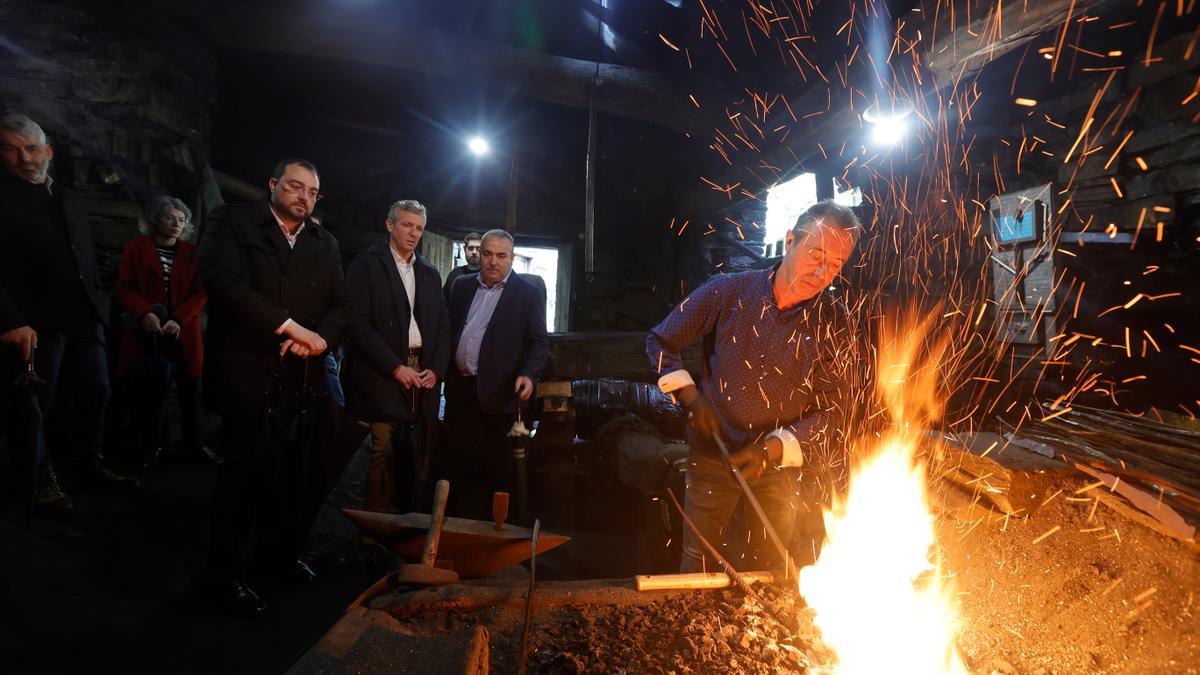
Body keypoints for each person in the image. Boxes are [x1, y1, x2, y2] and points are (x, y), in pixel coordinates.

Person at [645, 200, 860, 573]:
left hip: (776, 466)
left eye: (837, 264)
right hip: (712, 453)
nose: (823, 271)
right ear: (790, 240)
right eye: (816, 254)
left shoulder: (834, 321)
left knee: (770, 566)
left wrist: (773, 448)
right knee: (699, 562)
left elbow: (835, 408)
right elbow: (660, 342)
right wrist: (691, 398)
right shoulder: (728, 291)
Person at [199, 157, 353, 616]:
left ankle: (277, 561)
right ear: (272, 185)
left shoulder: (325, 244)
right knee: (241, 477)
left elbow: (342, 304)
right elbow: (222, 282)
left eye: (312, 191)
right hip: (246, 370)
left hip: (299, 378)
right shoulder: (231, 222)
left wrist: (321, 338)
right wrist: (289, 327)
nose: (303, 196)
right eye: (295, 186)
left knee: (289, 476)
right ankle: (221, 578)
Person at [0, 113, 138, 514]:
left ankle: (86, 465)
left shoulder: (69, 198)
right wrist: (8, 319)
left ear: (48, 152)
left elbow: (84, 260)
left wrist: (99, 308)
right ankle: (39, 479)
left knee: (97, 394)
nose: (24, 158)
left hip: (83, 319)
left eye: (31, 148)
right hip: (33, 323)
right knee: (35, 404)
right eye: (10, 148)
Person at [341, 200, 450, 513]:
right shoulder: (367, 264)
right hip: (383, 369)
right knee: (383, 448)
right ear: (390, 225)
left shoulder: (428, 272)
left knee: (417, 449)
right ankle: (376, 526)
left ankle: (410, 518)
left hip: (422, 369)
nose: (413, 233)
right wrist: (393, 366)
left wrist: (437, 369)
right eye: (406, 225)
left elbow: (444, 327)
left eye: (419, 228)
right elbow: (356, 323)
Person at [444, 229, 548, 519]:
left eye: (501, 256)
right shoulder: (462, 286)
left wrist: (529, 374)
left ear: (512, 258)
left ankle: (495, 529)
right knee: (457, 462)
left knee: (496, 466)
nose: (492, 261)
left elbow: (539, 341)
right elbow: (451, 331)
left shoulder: (527, 294)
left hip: (498, 392)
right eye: (488, 254)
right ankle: (457, 527)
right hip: (460, 391)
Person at [115, 196, 208, 467]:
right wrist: (145, 313)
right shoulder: (136, 248)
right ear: (156, 218)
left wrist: (179, 319)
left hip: (182, 331)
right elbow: (125, 287)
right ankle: (152, 446)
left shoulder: (192, 252)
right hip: (147, 330)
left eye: (182, 220)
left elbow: (200, 292)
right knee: (150, 389)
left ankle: (195, 446)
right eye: (170, 218)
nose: (177, 224)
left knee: (190, 389)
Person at [442, 231, 482, 304]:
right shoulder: (454, 274)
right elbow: (443, 302)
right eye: (471, 248)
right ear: (464, 249)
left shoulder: (487, 276)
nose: (474, 252)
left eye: (478, 249)